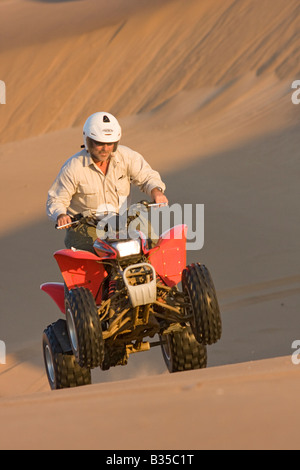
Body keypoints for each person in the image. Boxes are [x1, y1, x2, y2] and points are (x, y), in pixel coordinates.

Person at [46, 112, 168, 252]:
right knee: (93, 257)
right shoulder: (73, 167)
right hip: (87, 227)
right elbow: (56, 199)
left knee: (154, 245)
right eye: (99, 143)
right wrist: (61, 215)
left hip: (124, 220)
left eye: (110, 144)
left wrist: (156, 191)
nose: (105, 149)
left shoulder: (126, 157)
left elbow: (146, 176)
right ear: (88, 141)